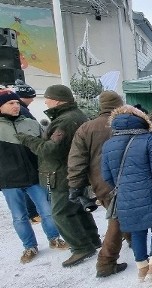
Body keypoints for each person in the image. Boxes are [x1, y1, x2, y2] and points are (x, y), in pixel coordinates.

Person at [16, 84, 101, 267]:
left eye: (47, 98)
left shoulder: (64, 121)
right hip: (74, 171)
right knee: (77, 208)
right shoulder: (76, 115)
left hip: (62, 173)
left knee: (60, 213)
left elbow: (51, 150)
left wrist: (27, 139)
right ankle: (92, 241)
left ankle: (81, 247)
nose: (45, 101)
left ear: (57, 100)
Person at [101, 105, 152, 285]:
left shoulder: (108, 144)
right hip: (151, 192)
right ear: (142, 120)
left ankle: (142, 270)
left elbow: (106, 175)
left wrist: (124, 187)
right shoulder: (149, 139)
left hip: (125, 196)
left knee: (137, 231)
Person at [0, 89, 68, 264]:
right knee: (19, 217)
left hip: (34, 177)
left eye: (17, 103)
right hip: (9, 181)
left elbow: (43, 148)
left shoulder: (30, 123)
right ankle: (29, 246)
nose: (16, 106)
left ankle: (54, 238)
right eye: (11, 103)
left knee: (47, 211)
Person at [67, 91, 127, 277]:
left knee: (119, 216)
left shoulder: (86, 128)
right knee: (116, 221)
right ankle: (106, 263)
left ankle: (132, 238)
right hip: (126, 178)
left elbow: (77, 159)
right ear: (119, 104)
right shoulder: (126, 123)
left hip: (100, 182)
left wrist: (76, 185)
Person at [13, 80, 40, 222]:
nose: (33, 99)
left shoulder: (21, 109)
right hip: (25, 152)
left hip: (19, 153)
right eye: (31, 96)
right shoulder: (22, 111)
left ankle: (32, 212)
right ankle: (33, 213)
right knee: (30, 183)